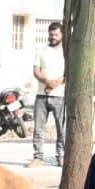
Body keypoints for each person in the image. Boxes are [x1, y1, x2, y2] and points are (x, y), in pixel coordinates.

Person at [30, 20, 66, 167]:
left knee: (61, 129)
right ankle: (37, 157)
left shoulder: (66, 52)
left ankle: (61, 157)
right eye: (51, 35)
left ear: (62, 35)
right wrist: (46, 81)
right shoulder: (41, 51)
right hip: (41, 95)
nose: (53, 37)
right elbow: (36, 71)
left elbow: (68, 71)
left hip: (60, 96)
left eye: (56, 35)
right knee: (38, 129)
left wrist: (56, 83)